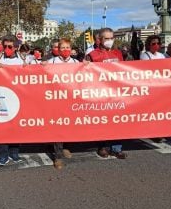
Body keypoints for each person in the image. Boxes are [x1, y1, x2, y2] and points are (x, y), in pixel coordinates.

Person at [87, 28, 127, 160]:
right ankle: (102, 147)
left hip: (116, 93)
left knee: (118, 121)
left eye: (111, 38)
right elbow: (83, 73)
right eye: (107, 38)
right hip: (100, 93)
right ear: (100, 40)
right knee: (103, 121)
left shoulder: (118, 54)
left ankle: (117, 148)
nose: (110, 41)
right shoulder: (92, 55)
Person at [46, 38, 78, 169]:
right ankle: (57, 157)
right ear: (58, 50)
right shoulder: (51, 61)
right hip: (56, 99)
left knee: (70, 125)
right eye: (63, 48)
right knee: (58, 127)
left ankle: (66, 147)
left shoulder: (76, 62)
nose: (65, 50)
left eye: (68, 47)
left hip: (71, 98)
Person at [0, 35, 24, 166]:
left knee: (16, 127)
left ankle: (14, 152)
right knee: (2, 127)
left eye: (10, 47)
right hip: (2, 98)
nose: (6, 49)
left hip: (18, 98)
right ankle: (2, 155)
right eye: (4, 46)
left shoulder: (23, 60)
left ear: (16, 47)